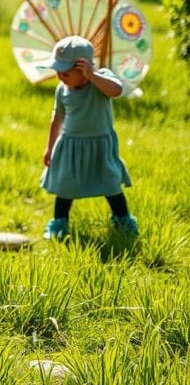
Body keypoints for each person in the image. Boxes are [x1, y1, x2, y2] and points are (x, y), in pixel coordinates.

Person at [39, 35, 138, 240]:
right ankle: (59, 222)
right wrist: (49, 147)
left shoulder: (100, 81)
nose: (60, 76)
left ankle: (123, 219)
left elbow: (116, 90)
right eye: (57, 71)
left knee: (110, 183)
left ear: (83, 68)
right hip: (70, 145)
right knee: (65, 186)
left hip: (100, 145)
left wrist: (93, 75)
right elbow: (57, 118)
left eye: (65, 73)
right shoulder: (62, 90)